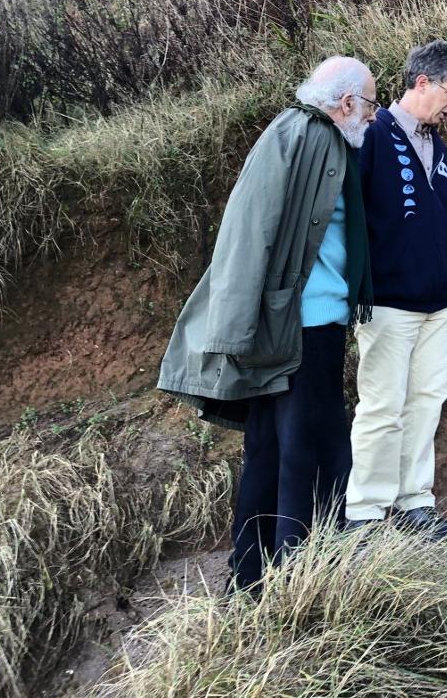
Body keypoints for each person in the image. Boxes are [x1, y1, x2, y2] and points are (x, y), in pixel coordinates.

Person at [156, 56, 377, 591]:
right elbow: (250, 232)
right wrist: (235, 330)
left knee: (272, 451)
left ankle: (251, 577)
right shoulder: (315, 138)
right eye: (370, 104)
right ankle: (302, 580)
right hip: (301, 329)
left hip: (289, 325)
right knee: (314, 456)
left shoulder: (295, 132)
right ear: (345, 102)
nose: (373, 116)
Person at [345, 40, 447, 539]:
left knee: (426, 400)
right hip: (386, 301)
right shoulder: (372, 137)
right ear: (421, 82)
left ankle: (413, 502)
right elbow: (350, 220)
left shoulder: (437, 145)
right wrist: (356, 283)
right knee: (382, 406)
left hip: (438, 299)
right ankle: (364, 512)